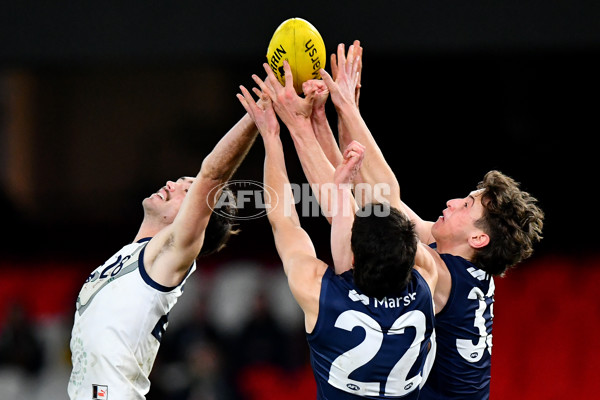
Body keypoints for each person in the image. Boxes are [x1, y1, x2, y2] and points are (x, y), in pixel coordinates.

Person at [316, 41, 545, 399]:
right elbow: (372, 192)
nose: (453, 202)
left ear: (478, 238)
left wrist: (339, 106)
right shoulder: (460, 262)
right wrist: (348, 116)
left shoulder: (444, 274)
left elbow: (378, 201)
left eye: (467, 206)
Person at [237, 73, 437, 399]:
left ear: (355, 258)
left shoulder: (319, 294)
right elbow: (291, 222)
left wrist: (274, 135)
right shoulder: (427, 280)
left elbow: (287, 221)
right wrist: (317, 122)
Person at [67, 112, 259, 400]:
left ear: (195, 217)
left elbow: (214, 174)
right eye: (180, 181)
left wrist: (259, 111)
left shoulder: (167, 256)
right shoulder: (130, 255)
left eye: (187, 191)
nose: (171, 183)